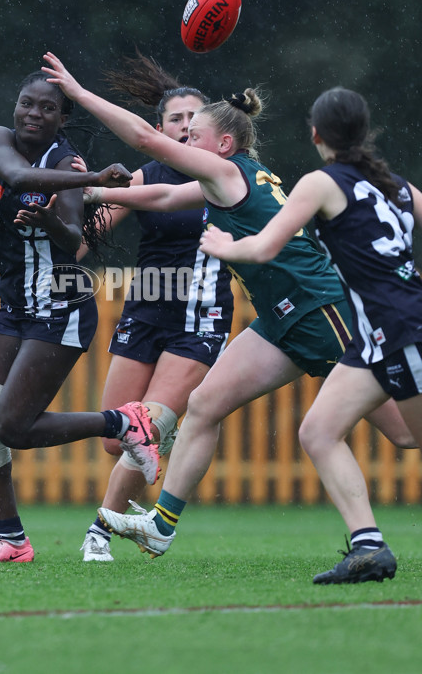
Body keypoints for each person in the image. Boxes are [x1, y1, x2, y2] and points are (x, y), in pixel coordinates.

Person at [39, 54, 416, 579]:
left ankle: (368, 543)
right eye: (183, 132)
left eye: (193, 134)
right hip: (281, 320)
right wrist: (93, 189)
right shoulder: (227, 177)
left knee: (404, 433)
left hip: (320, 309)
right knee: (205, 403)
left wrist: (79, 96)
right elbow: (166, 193)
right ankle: (162, 524)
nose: (183, 141)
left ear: (223, 144)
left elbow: (148, 143)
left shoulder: (226, 171)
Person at [197, 87, 422, 583]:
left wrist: (223, 244)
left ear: (316, 134)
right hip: (375, 334)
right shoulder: (397, 185)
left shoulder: (321, 182)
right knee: (319, 431)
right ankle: (368, 549)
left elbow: (264, 249)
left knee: (415, 436)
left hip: (400, 327)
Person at [0, 70, 159, 564]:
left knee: (14, 429)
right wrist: (94, 181)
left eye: (47, 109)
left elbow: (72, 240)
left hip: (59, 307)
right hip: (15, 306)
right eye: (27, 103)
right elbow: (18, 178)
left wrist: (51, 219)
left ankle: (122, 422)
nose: (32, 114)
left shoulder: (66, 160)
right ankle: (13, 541)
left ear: (62, 120)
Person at [76, 54, 234, 563]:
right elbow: (95, 226)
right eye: (176, 119)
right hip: (145, 308)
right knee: (115, 437)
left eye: (195, 117)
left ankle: (99, 530)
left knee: (147, 424)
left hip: (199, 316)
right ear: (160, 127)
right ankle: (157, 445)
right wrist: (50, 253)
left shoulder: (220, 174)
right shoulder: (148, 173)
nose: (186, 126)